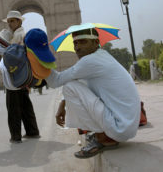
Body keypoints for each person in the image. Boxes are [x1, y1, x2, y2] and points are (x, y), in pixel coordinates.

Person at [45, 28, 141, 159]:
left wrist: (38, 59)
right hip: (126, 125)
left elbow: (55, 81)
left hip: (119, 128)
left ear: (96, 42)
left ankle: (102, 138)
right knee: (74, 85)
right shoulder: (101, 57)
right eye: (75, 43)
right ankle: (103, 133)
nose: (77, 48)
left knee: (69, 87)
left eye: (82, 42)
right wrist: (62, 105)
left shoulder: (89, 62)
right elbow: (78, 80)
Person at [1, 11, 40, 144]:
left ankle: (15, 136)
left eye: (13, 21)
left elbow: (10, 53)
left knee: (13, 107)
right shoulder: (18, 34)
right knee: (25, 104)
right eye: (9, 21)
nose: (10, 24)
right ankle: (32, 131)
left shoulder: (19, 35)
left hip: (14, 75)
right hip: (22, 75)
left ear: (19, 22)